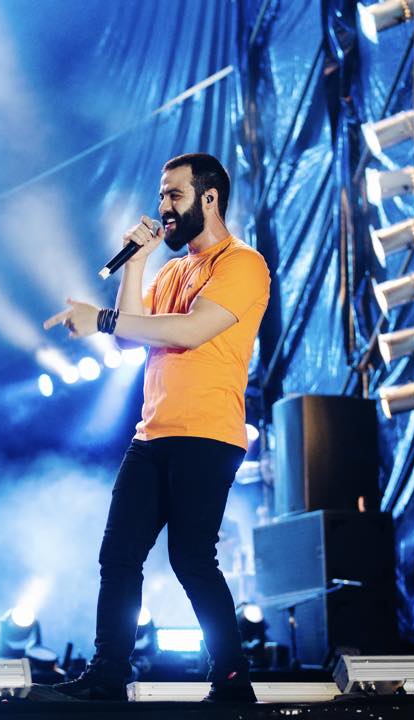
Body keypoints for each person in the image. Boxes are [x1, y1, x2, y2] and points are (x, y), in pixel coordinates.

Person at [43, 153, 270, 703]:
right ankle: (107, 673)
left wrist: (99, 317)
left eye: (174, 194)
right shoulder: (171, 270)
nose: (163, 206)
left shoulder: (242, 264)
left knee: (191, 557)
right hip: (152, 433)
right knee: (118, 555)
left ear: (209, 199)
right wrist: (137, 263)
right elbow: (129, 336)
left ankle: (232, 677)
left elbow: (190, 330)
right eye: (161, 195)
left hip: (207, 433)